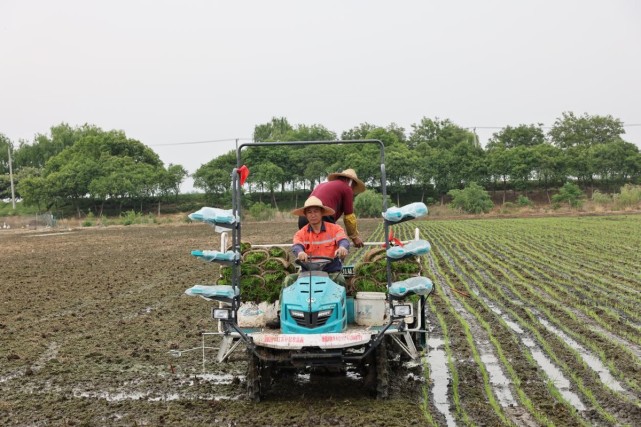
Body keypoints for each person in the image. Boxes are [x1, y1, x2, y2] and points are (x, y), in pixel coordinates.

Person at [284, 195, 350, 287]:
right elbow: (297, 246)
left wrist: (342, 247)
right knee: (288, 280)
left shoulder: (335, 229)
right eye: (309, 212)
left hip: (330, 272)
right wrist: (300, 253)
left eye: (316, 211)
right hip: (308, 273)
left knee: (340, 280)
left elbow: (343, 240)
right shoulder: (301, 233)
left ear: (322, 213)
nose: (313, 215)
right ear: (305, 215)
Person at [298, 168, 366, 248]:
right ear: (351, 182)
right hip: (322, 217)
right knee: (331, 249)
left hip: (304, 217)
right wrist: (354, 237)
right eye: (354, 185)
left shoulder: (322, 185)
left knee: (311, 249)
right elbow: (349, 217)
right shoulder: (347, 188)